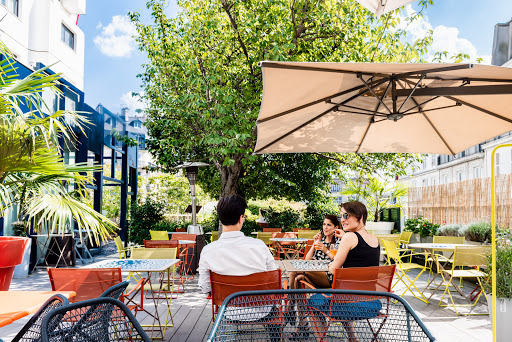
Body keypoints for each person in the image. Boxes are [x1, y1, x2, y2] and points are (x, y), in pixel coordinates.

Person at [198, 194, 277, 294]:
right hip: (261, 306)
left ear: (221, 219)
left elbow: (205, 287)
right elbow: (273, 279)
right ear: (241, 218)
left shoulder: (208, 251)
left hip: (226, 307)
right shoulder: (259, 246)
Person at [289, 214, 341, 290]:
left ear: (336, 227)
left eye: (329, 225)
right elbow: (307, 260)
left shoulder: (339, 242)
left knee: (294, 270)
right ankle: (299, 302)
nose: (325, 227)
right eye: (324, 224)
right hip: (317, 273)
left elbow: (338, 261)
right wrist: (315, 243)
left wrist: (326, 250)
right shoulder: (321, 241)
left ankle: (290, 300)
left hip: (330, 275)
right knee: (299, 278)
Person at [328, 201, 380, 274]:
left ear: (360, 217)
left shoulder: (349, 237)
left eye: (346, 215)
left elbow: (333, 270)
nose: (342, 220)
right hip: (370, 285)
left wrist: (331, 266)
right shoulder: (375, 238)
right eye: (340, 217)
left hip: (350, 285)